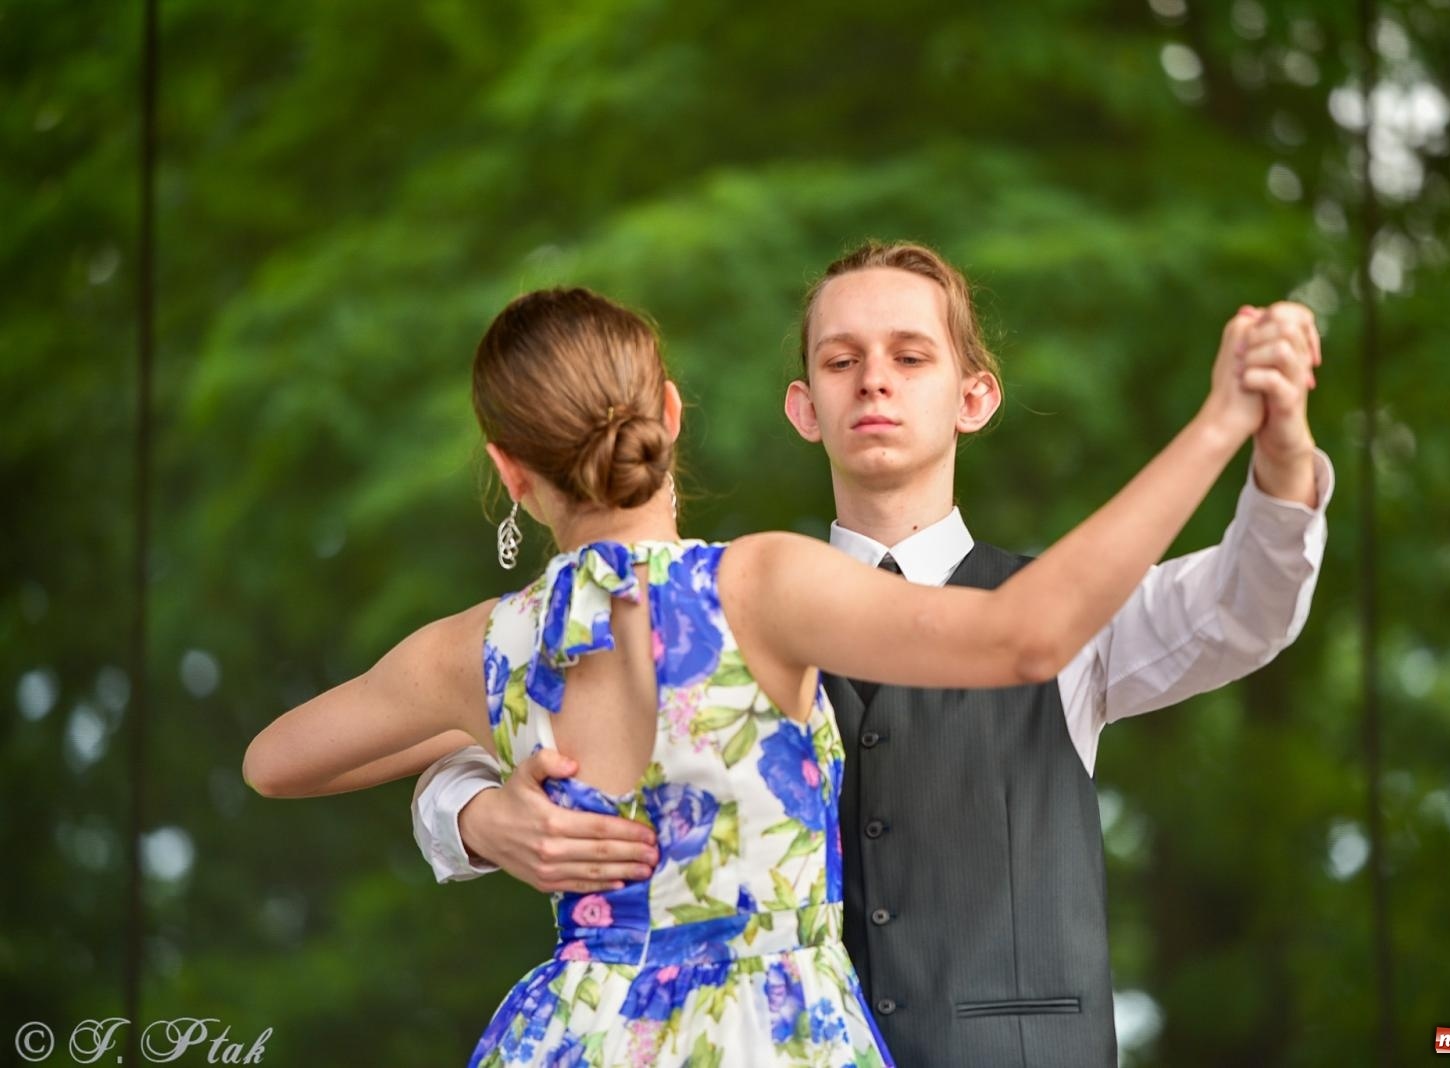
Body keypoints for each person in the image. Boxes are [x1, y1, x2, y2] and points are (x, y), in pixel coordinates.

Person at [412, 243, 1333, 1066]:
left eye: (910, 356)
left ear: (975, 397)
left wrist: (1282, 456)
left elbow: (1245, 608)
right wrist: (471, 814)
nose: (875, 381)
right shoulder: (722, 611)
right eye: (842, 360)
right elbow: (506, 699)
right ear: (804, 408)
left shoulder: (1063, 607)